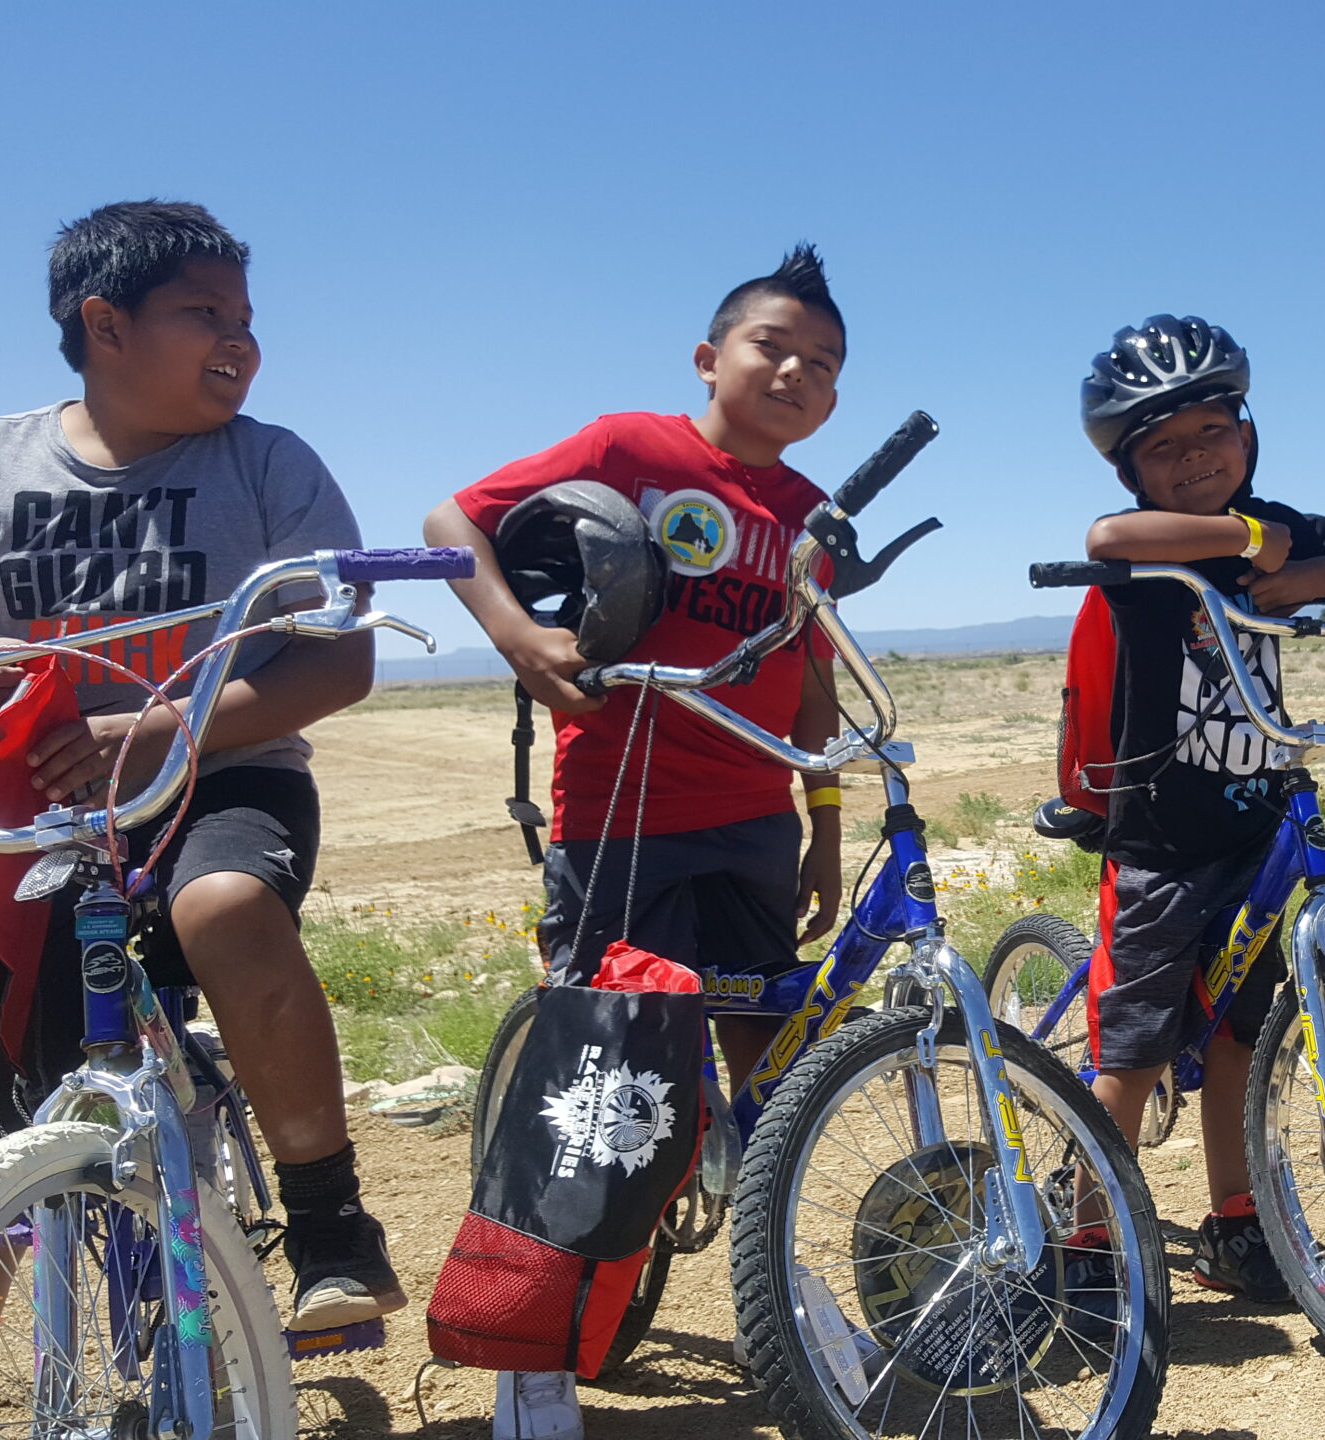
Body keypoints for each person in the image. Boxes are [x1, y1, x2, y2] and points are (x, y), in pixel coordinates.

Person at [0, 200, 404, 1373]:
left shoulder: (267, 462)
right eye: (204, 312)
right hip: (48, 805)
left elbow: (340, 656)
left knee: (226, 911)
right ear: (103, 324)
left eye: (247, 317)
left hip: (225, 780)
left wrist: (168, 725)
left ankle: (327, 1225)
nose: (241, 339)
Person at [422, 244, 850, 1438]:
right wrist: (519, 639)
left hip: (758, 823)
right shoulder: (629, 448)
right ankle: (534, 1353)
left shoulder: (810, 513)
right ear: (711, 357)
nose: (796, 374)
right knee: (602, 1080)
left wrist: (821, 822)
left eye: (823, 365)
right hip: (625, 816)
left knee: (777, 1073)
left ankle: (787, 1296)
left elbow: (809, 665)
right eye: (775, 347)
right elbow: (453, 518)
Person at [1070, 315, 1325, 1302]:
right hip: (1159, 841)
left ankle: (1235, 1218)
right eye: (1162, 446)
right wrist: (1255, 544)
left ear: (1248, 428)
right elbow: (1108, 538)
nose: (1193, 459)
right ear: (1131, 465)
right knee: (1133, 1048)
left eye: (1211, 431)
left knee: (1237, 1033)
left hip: (1253, 828)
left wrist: (1304, 576)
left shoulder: (1282, 526)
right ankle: (1086, 1227)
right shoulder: (1164, 545)